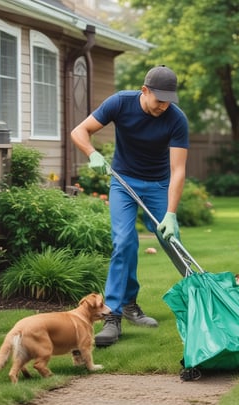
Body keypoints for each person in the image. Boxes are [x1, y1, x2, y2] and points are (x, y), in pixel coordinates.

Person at [71, 65, 189, 347]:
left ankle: (198, 301)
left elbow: (179, 170)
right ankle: (114, 316)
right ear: (144, 91)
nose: (163, 106)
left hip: (159, 184)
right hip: (123, 183)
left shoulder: (176, 119)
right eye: (159, 99)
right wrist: (92, 153)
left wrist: (171, 214)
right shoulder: (120, 103)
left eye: (168, 100)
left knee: (173, 241)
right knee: (124, 242)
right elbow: (80, 131)